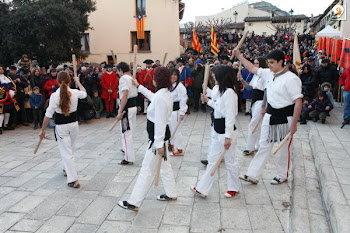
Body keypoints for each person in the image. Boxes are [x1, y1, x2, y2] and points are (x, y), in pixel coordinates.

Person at [232, 48, 303, 185]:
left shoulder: (292, 79)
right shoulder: (268, 74)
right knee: (264, 145)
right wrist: (239, 55)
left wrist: (294, 124)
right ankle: (252, 174)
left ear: (281, 62)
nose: (269, 65)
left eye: (272, 62)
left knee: (283, 149)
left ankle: (282, 175)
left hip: (285, 117)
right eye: (269, 62)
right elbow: (252, 68)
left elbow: (298, 103)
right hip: (270, 115)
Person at [118, 67, 177, 211]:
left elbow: (160, 122)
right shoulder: (163, 94)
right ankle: (171, 192)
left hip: (157, 140)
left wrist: (158, 144)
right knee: (165, 166)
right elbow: (152, 96)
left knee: (146, 169)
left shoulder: (162, 98)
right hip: (159, 138)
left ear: (158, 79)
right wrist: (139, 87)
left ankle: (134, 202)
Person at [191, 65, 240, 198]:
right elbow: (212, 95)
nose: (213, 77)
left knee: (230, 161)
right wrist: (205, 88)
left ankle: (233, 187)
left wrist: (228, 137)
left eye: (215, 75)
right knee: (212, 159)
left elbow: (229, 114)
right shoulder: (218, 89)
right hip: (216, 128)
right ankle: (202, 188)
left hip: (226, 130)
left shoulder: (230, 92)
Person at [39, 71, 87, 188]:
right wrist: (78, 82)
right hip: (74, 124)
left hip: (62, 126)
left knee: (67, 151)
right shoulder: (75, 92)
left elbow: (48, 115)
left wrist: (43, 130)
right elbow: (84, 93)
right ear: (69, 81)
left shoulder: (55, 96)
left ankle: (73, 179)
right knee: (70, 149)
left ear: (57, 81)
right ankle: (65, 167)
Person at [238, 57, 268, 155]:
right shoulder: (255, 75)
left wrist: (264, 106)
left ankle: (249, 147)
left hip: (260, 101)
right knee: (256, 125)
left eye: (256, 63)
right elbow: (249, 87)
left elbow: (266, 91)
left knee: (253, 124)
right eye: (254, 63)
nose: (254, 65)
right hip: (254, 101)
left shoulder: (265, 76)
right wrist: (242, 80)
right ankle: (257, 145)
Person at [116, 62, 138, 165]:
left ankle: (129, 158)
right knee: (130, 132)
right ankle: (127, 150)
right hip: (133, 106)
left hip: (127, 108)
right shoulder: (131, 78)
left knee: (126, 133)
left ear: (120, 70)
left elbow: (125, 95)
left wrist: (120, 111)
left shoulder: (124, 79)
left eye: (117, 71)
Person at [168, 68, 188, 156]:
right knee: (171, 129)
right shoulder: (170, 85)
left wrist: (182, 112)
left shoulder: (180, 87)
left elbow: (183, 99)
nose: (173, 76)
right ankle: (171, 144)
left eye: (175, 75)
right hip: (170, 111)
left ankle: (179, 149)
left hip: (176, 111)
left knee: (177, 130)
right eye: (171, 74)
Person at [0, 65, 19, 134]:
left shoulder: (7, 77)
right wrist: (6, 91)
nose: (1, 70)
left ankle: (5, 125)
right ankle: (0, 127)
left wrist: (12, 91)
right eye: (0, 69)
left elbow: (13, 85)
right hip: (2, 97)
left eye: (2, 69)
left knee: (7, 111)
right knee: (1, 112)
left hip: (9, 97)